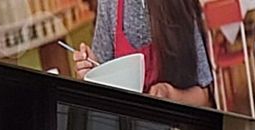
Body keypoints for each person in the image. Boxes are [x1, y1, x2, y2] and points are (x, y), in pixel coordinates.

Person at [74, 0, 217, 108]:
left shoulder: (179, 4)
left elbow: (204, 98)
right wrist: (90, 72)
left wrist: (171, 94)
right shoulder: (109, 3)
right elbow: (100, 96)